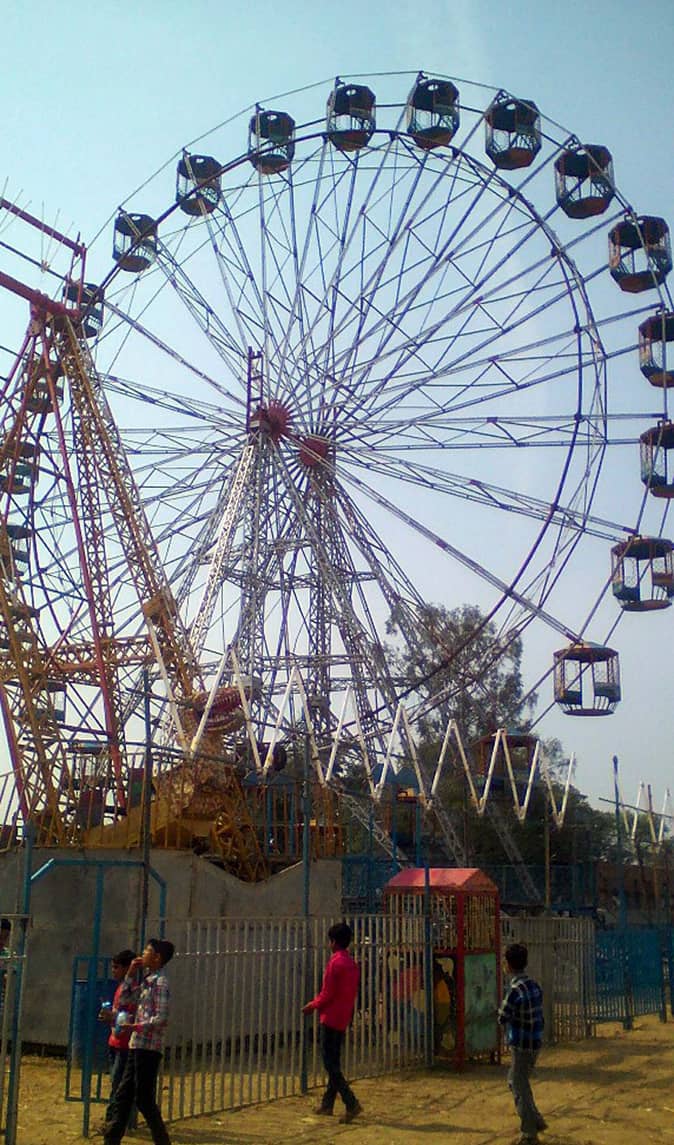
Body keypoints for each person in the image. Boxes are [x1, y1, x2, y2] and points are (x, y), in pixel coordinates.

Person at [103, 938, 175, 1145]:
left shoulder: (160, 983)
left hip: (149, 1048)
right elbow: (125, 1000)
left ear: (157, 958)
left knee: (143, 1099)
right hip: (137, 1045)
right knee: (123, 1095)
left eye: (147, 951)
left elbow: (161, 1018)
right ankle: (111, 1138)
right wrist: (130, 975)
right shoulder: (146, 980)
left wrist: (134, 1027)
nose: (142, 954)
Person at [302, 921, 362, 1124]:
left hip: (330, 1016)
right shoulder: (352, 964)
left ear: (333, 942)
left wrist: (312, 1005)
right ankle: (327, 1104)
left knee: (330, 1064)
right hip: (344, 1015)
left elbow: (327, 993)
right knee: (334, 1062)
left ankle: (351, 1102)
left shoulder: (334, 963)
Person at [498, 942, 546, 1145]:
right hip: (535, 1042)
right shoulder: (534, 985)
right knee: (518, 1081)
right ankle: (536, 1120)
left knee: (518, 1085)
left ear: (508, 965)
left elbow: (502, 1017)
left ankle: (529, 1132)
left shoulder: (515, 990)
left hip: (521, 1044)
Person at [97, 950, 137, 1131]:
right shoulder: (121, 987)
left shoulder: (132, 989)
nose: (113, 970)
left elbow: (130, 1016)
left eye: (116, 967)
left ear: (127, 968)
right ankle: (119, 1121)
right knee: (117, 1083)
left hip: (124, 1043)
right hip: (115, 1040)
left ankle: (113, 1122)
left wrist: (112, 1016)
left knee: (118, 1085)